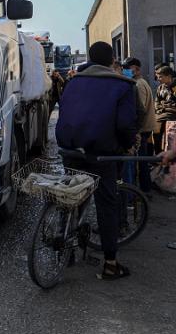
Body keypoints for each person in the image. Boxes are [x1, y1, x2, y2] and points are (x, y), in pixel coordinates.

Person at [56, 41, 137, 280]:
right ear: (112, 60)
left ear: (89, 58)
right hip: (102, 155)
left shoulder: (73, 82)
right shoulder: (122, 86)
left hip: (70, 150)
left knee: (72, 197)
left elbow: (65, 112)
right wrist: (128, 145)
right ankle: (110, 263)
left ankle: (66, 248)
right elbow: (125, 125)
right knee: (107, 205)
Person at [121, 57, 156, 194]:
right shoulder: (139, 82)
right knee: (142, 161)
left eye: (128, 68)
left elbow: (138, 110)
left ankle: (144, 191)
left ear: (137, 69)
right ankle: (145, 190)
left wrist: (136, 131)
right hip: (144, 128)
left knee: (140, 162)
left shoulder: (138, 85)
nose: (125, 71)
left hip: (142, 129)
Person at [154, 65, 176, 153]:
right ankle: (158, 155)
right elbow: (157, 102)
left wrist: (166, 106)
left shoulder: (174, 87)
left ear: (169, 76)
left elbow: (173, 105)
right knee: (155, 131)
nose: (158, 79)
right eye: (157, 77)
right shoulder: (160, 87)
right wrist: (163, 107)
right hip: (161, 114)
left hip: (172, 116)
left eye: (160, 77)